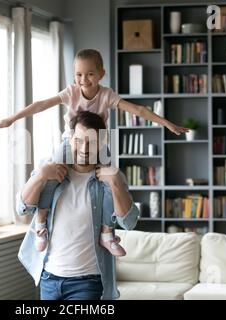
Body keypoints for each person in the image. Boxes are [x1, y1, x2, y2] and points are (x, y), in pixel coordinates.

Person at [0, 48, 188, 256]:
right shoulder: (71, 92)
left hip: (99, 145)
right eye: (78, 74)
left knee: (109, 182)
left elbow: (138, 110)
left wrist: (166, 123)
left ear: (101, 74)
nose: (83, 80)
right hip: (71, 142)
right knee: (49, 173)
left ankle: (107, 232)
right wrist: (11, 119)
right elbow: (41, 105)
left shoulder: (106, 95)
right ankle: (40, 225)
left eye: (90, 74)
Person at [17, 111, 140, 300]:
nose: (84, 148)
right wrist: (41, 175)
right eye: (79, 140)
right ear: (70, 138)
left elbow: (129, 222)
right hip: (49, 278)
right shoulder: (50, 168)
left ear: (101, 144)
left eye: (91, 142)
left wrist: (114, 181)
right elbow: (22, 208)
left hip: (88, 282)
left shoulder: (111, 176)